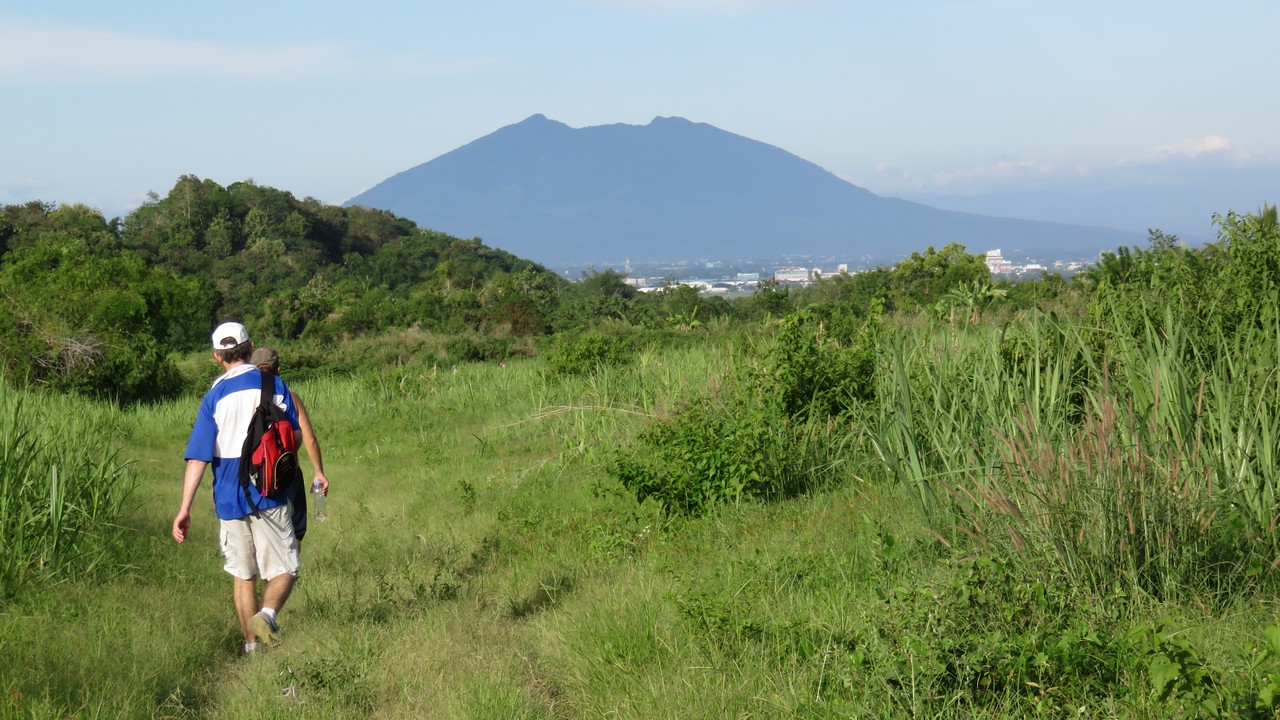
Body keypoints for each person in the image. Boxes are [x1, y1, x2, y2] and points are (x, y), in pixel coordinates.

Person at [172, 322, 301, 655]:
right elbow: (295, 437)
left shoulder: (214, 396)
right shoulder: (275, 385)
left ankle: (252, 649)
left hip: (229, 497)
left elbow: (198, 458)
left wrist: (184, 509)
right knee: (285, 569)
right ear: (250, 347)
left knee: (243, 576)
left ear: (218, 357)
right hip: (269, 490)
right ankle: (267, 615)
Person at [250, 346, 329, 542]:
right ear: (278, 370)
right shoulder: (291, 397)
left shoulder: (246, 399)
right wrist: (318, 472)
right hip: (288, 474)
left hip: (256, 477)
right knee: (294, 535)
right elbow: (310, 439)